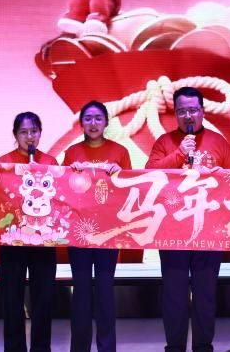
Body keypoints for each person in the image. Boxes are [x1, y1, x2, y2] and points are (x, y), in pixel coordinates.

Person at [146, 86, 230, 352]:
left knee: (205, 293)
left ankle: (203, 346)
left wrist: (222, 176)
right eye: (182, 111)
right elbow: (150, 174)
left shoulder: (219, 142)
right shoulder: (165, 142)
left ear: (202, 111)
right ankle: (174, 347)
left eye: (193, 110)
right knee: (173, 294)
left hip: (209, 229)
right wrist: (178, 154)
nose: (188, 116)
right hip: (172, 230)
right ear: (175, 113)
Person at [63, 100, 131, 352]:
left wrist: (120, 174)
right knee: (81, 291)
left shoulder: (120, 152)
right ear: (81, 123)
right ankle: (79, 347)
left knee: (105, 291)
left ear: (106, 122)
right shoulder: (72, 153)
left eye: (98, 118)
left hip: (108, 232)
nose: (93, 123)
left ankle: (107, 347)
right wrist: (70, 173)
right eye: (88, 118)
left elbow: (130, 190)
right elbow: (63, 191)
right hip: (78, 232)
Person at [0, 112, 58, 352]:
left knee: (43, 299)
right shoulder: (3, 163)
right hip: (13, 241)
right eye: (24, 132)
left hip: (43, 241)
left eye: (34, 131)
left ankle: (41, 348)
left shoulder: (51, 162)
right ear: (15, 135)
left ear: (40, 133)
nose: (29, 136)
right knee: (11, 298)